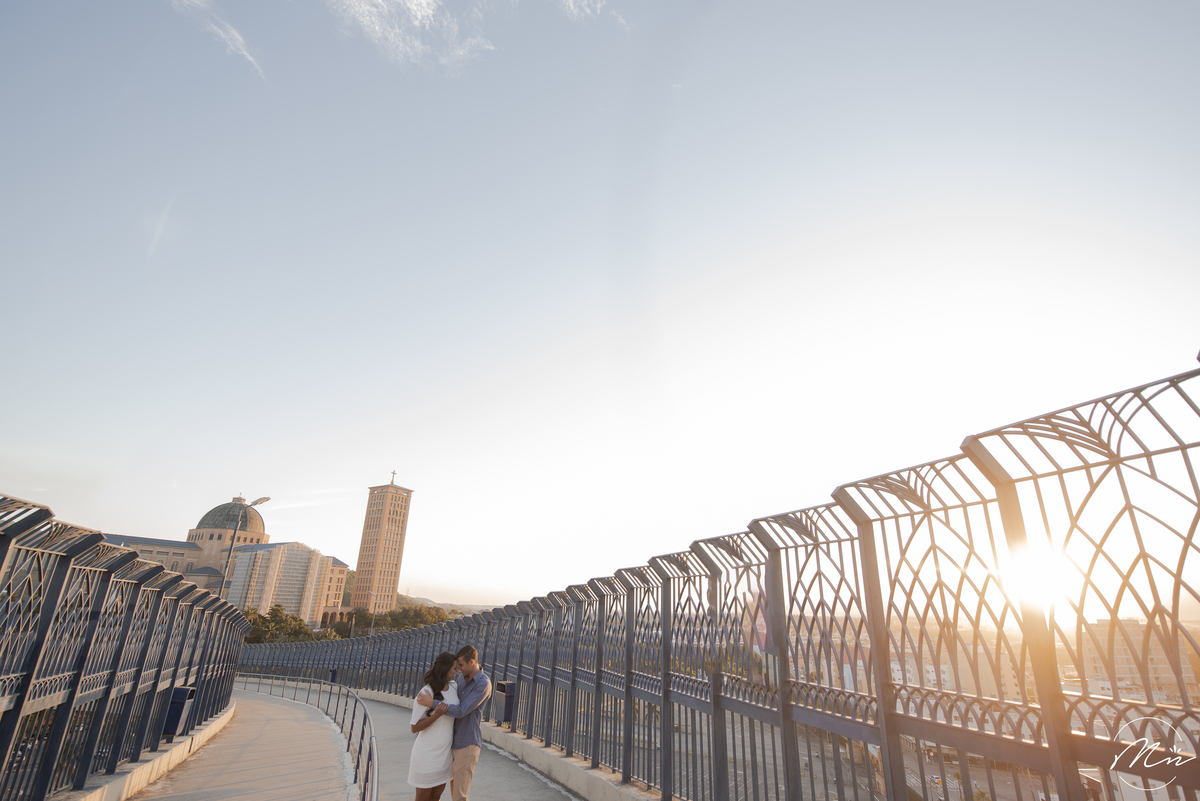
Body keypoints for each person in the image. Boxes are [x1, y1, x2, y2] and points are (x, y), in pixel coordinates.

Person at [416, 645, 491, 801]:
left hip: (467, 744)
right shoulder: (461, 680)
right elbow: (450, 702)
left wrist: (432, 703)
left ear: (472, 662)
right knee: (450, 793)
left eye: (461, 665)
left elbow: (461, 710)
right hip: (452, 742)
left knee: (459, 797)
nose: (458, 668)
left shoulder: (483, 684)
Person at [409, 651, 458, 801]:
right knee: (423, 798)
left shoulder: (454, 687)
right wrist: (436, 715)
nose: (457, 671)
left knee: (436, 797)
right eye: (455, 668)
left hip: (444, 755)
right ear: (445, 668)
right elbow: (414, 727)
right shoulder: (426, 692)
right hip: (426, 755)